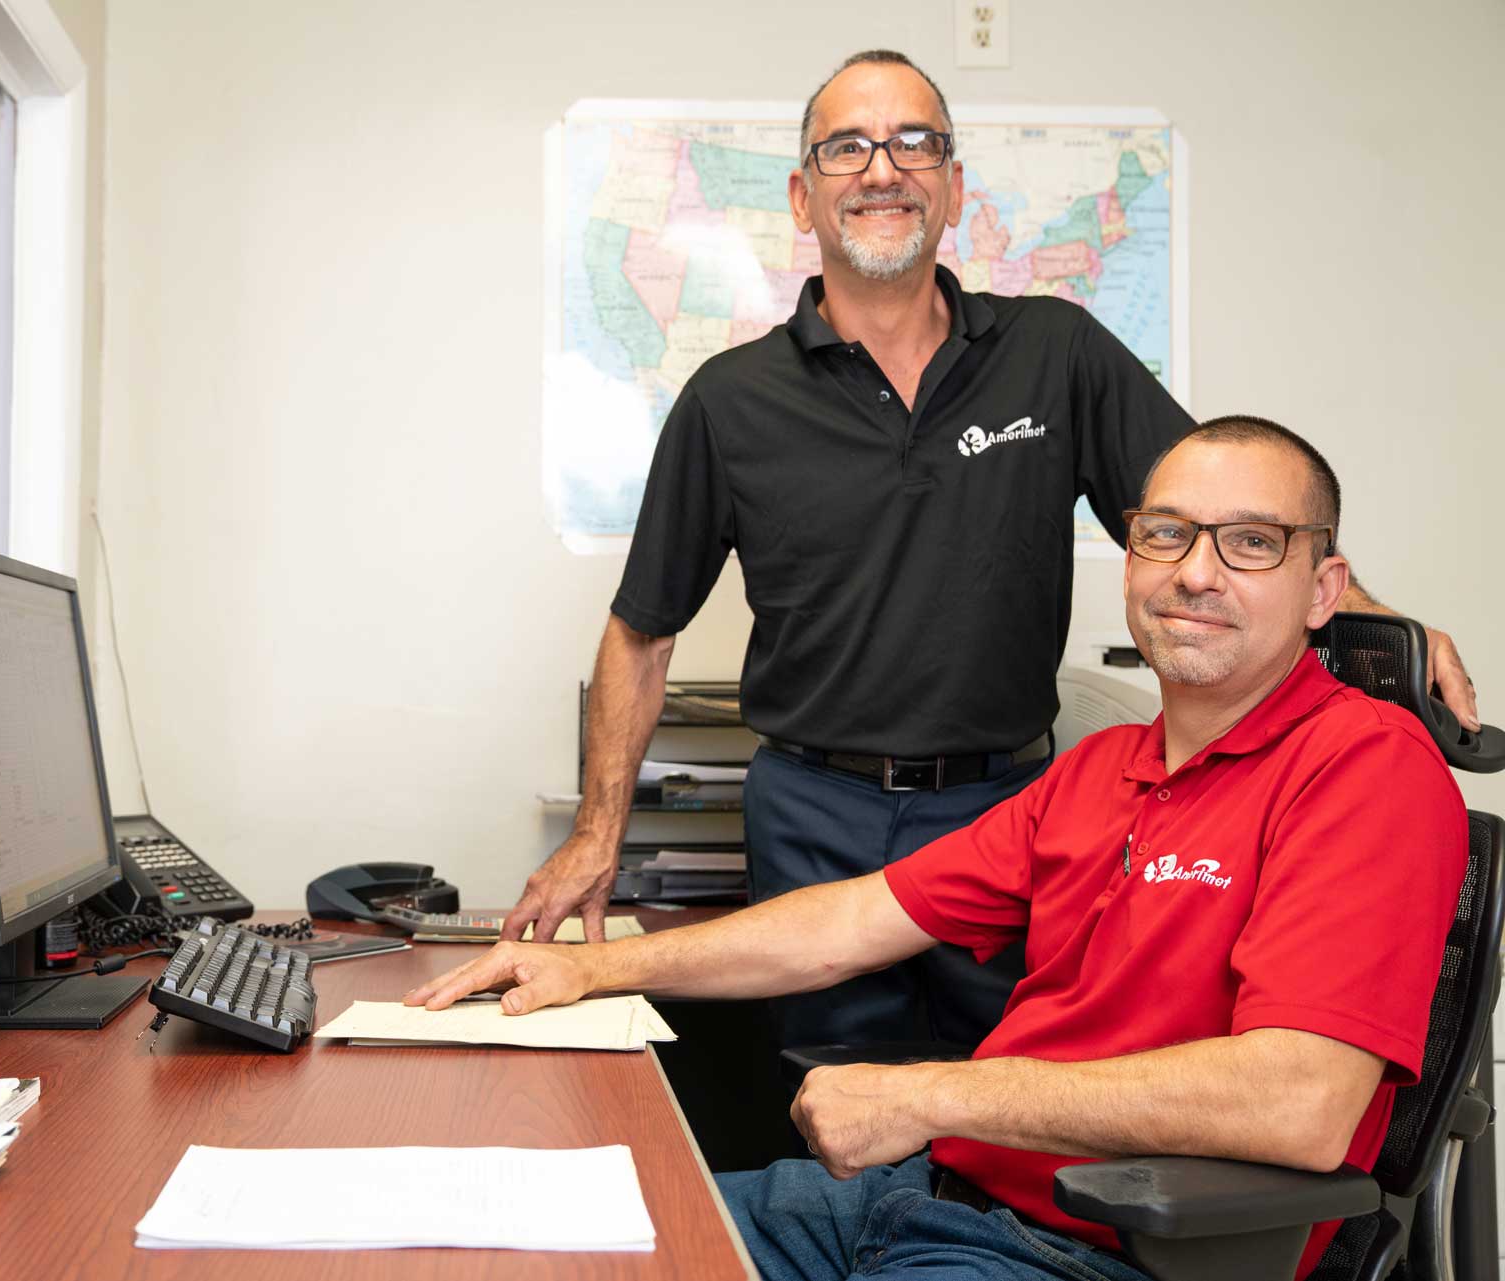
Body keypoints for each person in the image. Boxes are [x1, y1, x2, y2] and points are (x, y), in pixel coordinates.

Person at [505, 50, 1480, 1053]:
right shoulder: (728, 400)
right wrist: (596, 835)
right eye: (848, 148)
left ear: (955, 185)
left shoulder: (1056, 351)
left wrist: (1384, 628)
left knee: (1015, 1086)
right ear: (802, 197)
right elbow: (641, 633)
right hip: (812, 812)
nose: (883, 169)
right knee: (826, 1102)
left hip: (1008, 808)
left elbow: (1233, 521)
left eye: (914, 143)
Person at [426, 418, 1469, 1281]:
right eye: (1166, 535)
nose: (1195, 573)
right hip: (925, 1199)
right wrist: (589, 969)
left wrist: (924, 1097)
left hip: (1092, 1252)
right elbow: (849, 922)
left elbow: (1299, 1103)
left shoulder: (1365, 766)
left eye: (1250, 543)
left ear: (1325, 588)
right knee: (522, 1246)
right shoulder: (1101, 768)